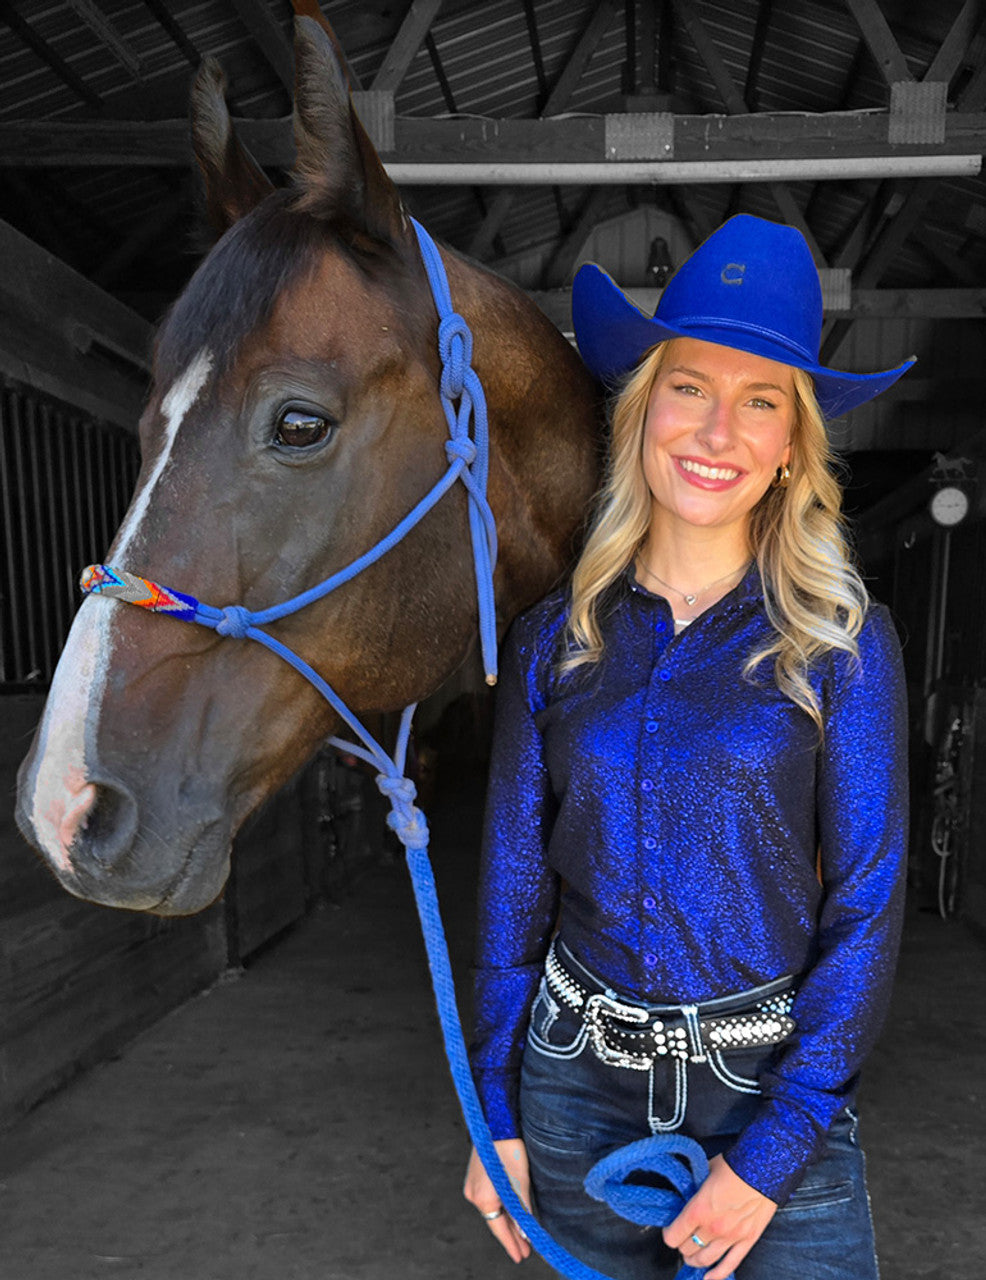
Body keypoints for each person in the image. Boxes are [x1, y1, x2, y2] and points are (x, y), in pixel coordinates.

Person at [462, 214, 912, 1280]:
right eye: (689, 388)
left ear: (792, 446)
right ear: (640, 408)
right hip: (570, 1089)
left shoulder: (839, 643)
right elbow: (510, 889)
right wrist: (494, 1113)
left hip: (769, 1092)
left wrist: (769, 1156)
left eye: (761, 401)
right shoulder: (552, 636)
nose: (718, 431)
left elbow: (865, 906)